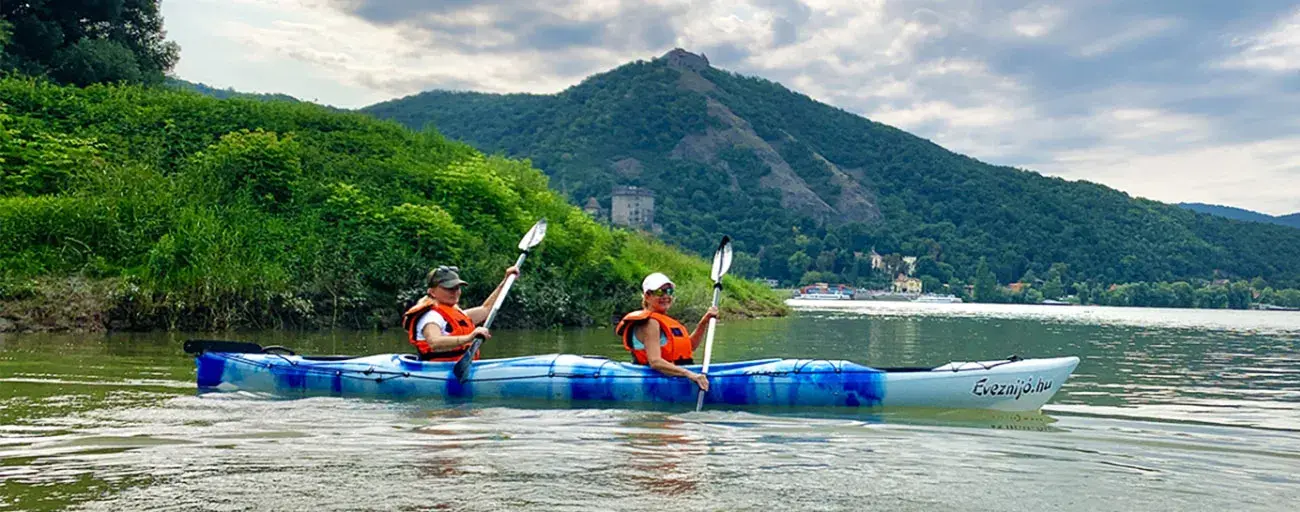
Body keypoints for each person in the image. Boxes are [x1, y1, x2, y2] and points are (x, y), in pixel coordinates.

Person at [615, 272, 718, 391]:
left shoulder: (664, 320)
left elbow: (691, 346)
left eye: (669, 291)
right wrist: (690, 374)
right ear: (647, 296)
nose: (665, 296)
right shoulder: (650, 323)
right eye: (660, 292)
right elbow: (655, 362)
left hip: (676, 374)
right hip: (655, 380)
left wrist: (704, 322)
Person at [402, 265, 518, 361]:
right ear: (432, 292)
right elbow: (434, 342)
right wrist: (469, 337)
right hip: (437, 371)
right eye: (449, 288)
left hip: (457, 369)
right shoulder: (431, 316)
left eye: (457, 288)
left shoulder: (455, 312)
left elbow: (486, 309)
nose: (455, 292)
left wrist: (505, 281)